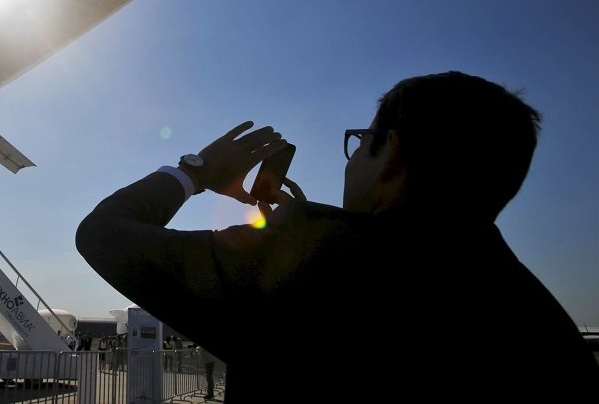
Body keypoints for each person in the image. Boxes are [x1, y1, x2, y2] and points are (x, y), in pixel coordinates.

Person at [76, 71, 599, 400]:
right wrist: (304, 227)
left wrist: (194, 170)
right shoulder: (547, 326)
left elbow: (102, 235)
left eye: (360, 143)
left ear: (390, 153)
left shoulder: (313, 259)